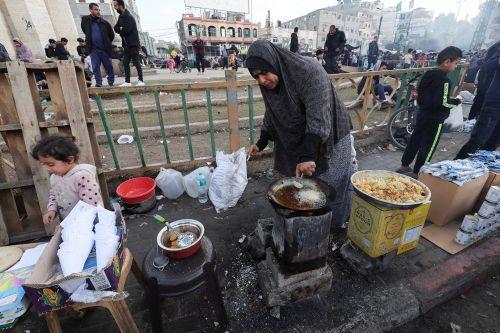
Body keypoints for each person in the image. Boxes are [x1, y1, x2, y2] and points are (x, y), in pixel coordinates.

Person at [245, 40, 353, 227]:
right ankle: (303, 226)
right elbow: (272, 112)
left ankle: (334, 228)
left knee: (329, 186)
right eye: (256, 77)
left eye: (264, 72)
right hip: (300, 134)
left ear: (274, 62)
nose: (261, 80)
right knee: (301, 189)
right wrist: (261, 142)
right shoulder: (269, 84)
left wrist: (308, 156)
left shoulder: (308, 71)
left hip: (331, 132)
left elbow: (319, 115)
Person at [397, 46, 463, 175]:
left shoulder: (427, 75)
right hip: (435, 120)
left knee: (414, 141)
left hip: (422, 115)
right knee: (428, 146)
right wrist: (456, 102)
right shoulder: (445, 80)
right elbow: (443, 102)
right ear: (447, 62)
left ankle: (404, 166)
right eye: (456, 63)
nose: (456, 67)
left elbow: (421, 95)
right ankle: (418, 172)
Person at [31, 136, 103, 225]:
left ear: (69, 160)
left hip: (89, 224)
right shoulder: (55, 177)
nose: (47, 169)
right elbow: (54, 194)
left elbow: (92, 204)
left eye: (50, 164)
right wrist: (52, 209)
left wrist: (84, 223)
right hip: (71, 223)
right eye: (43, 164)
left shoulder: (82, 176)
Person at [455, 48, 500, 159]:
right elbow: (487, 68)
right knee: (478, 139)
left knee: (494, 142)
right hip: (495, 103)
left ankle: (479, 168)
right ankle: (457, 165)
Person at [81, 2, 115, 87]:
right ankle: (99, 82)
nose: (98, 11)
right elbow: (84, 30)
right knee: (95, 67)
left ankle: (111, 82)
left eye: (99, 10)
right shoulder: (85, 20)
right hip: (93, 49)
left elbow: (111, 35)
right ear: (90, 10)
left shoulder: (105, 23)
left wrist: (106, 42)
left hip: (105, 49)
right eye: (96, 10)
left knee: (109, 67)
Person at [113, 0, 145, 86]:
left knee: (136, 63)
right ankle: (127, 82)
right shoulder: (121, 17)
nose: (115, 8)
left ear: (121, 6)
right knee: (125, 63)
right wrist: (120, 28)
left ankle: (141, 81)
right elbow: (115, 28)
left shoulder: (129, 17)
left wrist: (120, 29)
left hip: (133, 44)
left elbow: (126, 31)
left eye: (116, 6)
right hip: (126, 45)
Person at [467, 42, 500, 120]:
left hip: (488, 83)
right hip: (487, 83)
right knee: (481, 100)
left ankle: (473, 119)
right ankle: (472, 120)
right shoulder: (496, 50)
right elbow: (489, 67)